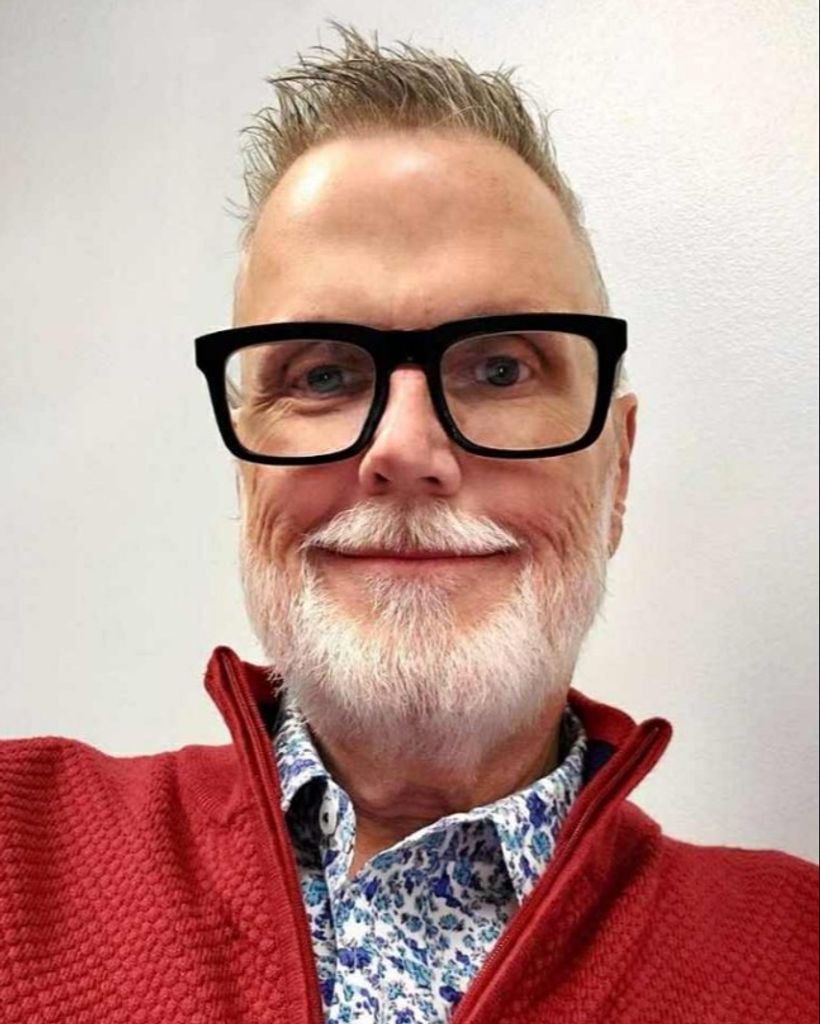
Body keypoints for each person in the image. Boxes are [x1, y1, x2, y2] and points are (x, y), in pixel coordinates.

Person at [1, 23, 817, 1024]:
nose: (405, 447)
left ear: (617, 474)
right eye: (323, 374)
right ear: (248, 473)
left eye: (502, 368)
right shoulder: (14, 850)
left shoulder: (799, 954)